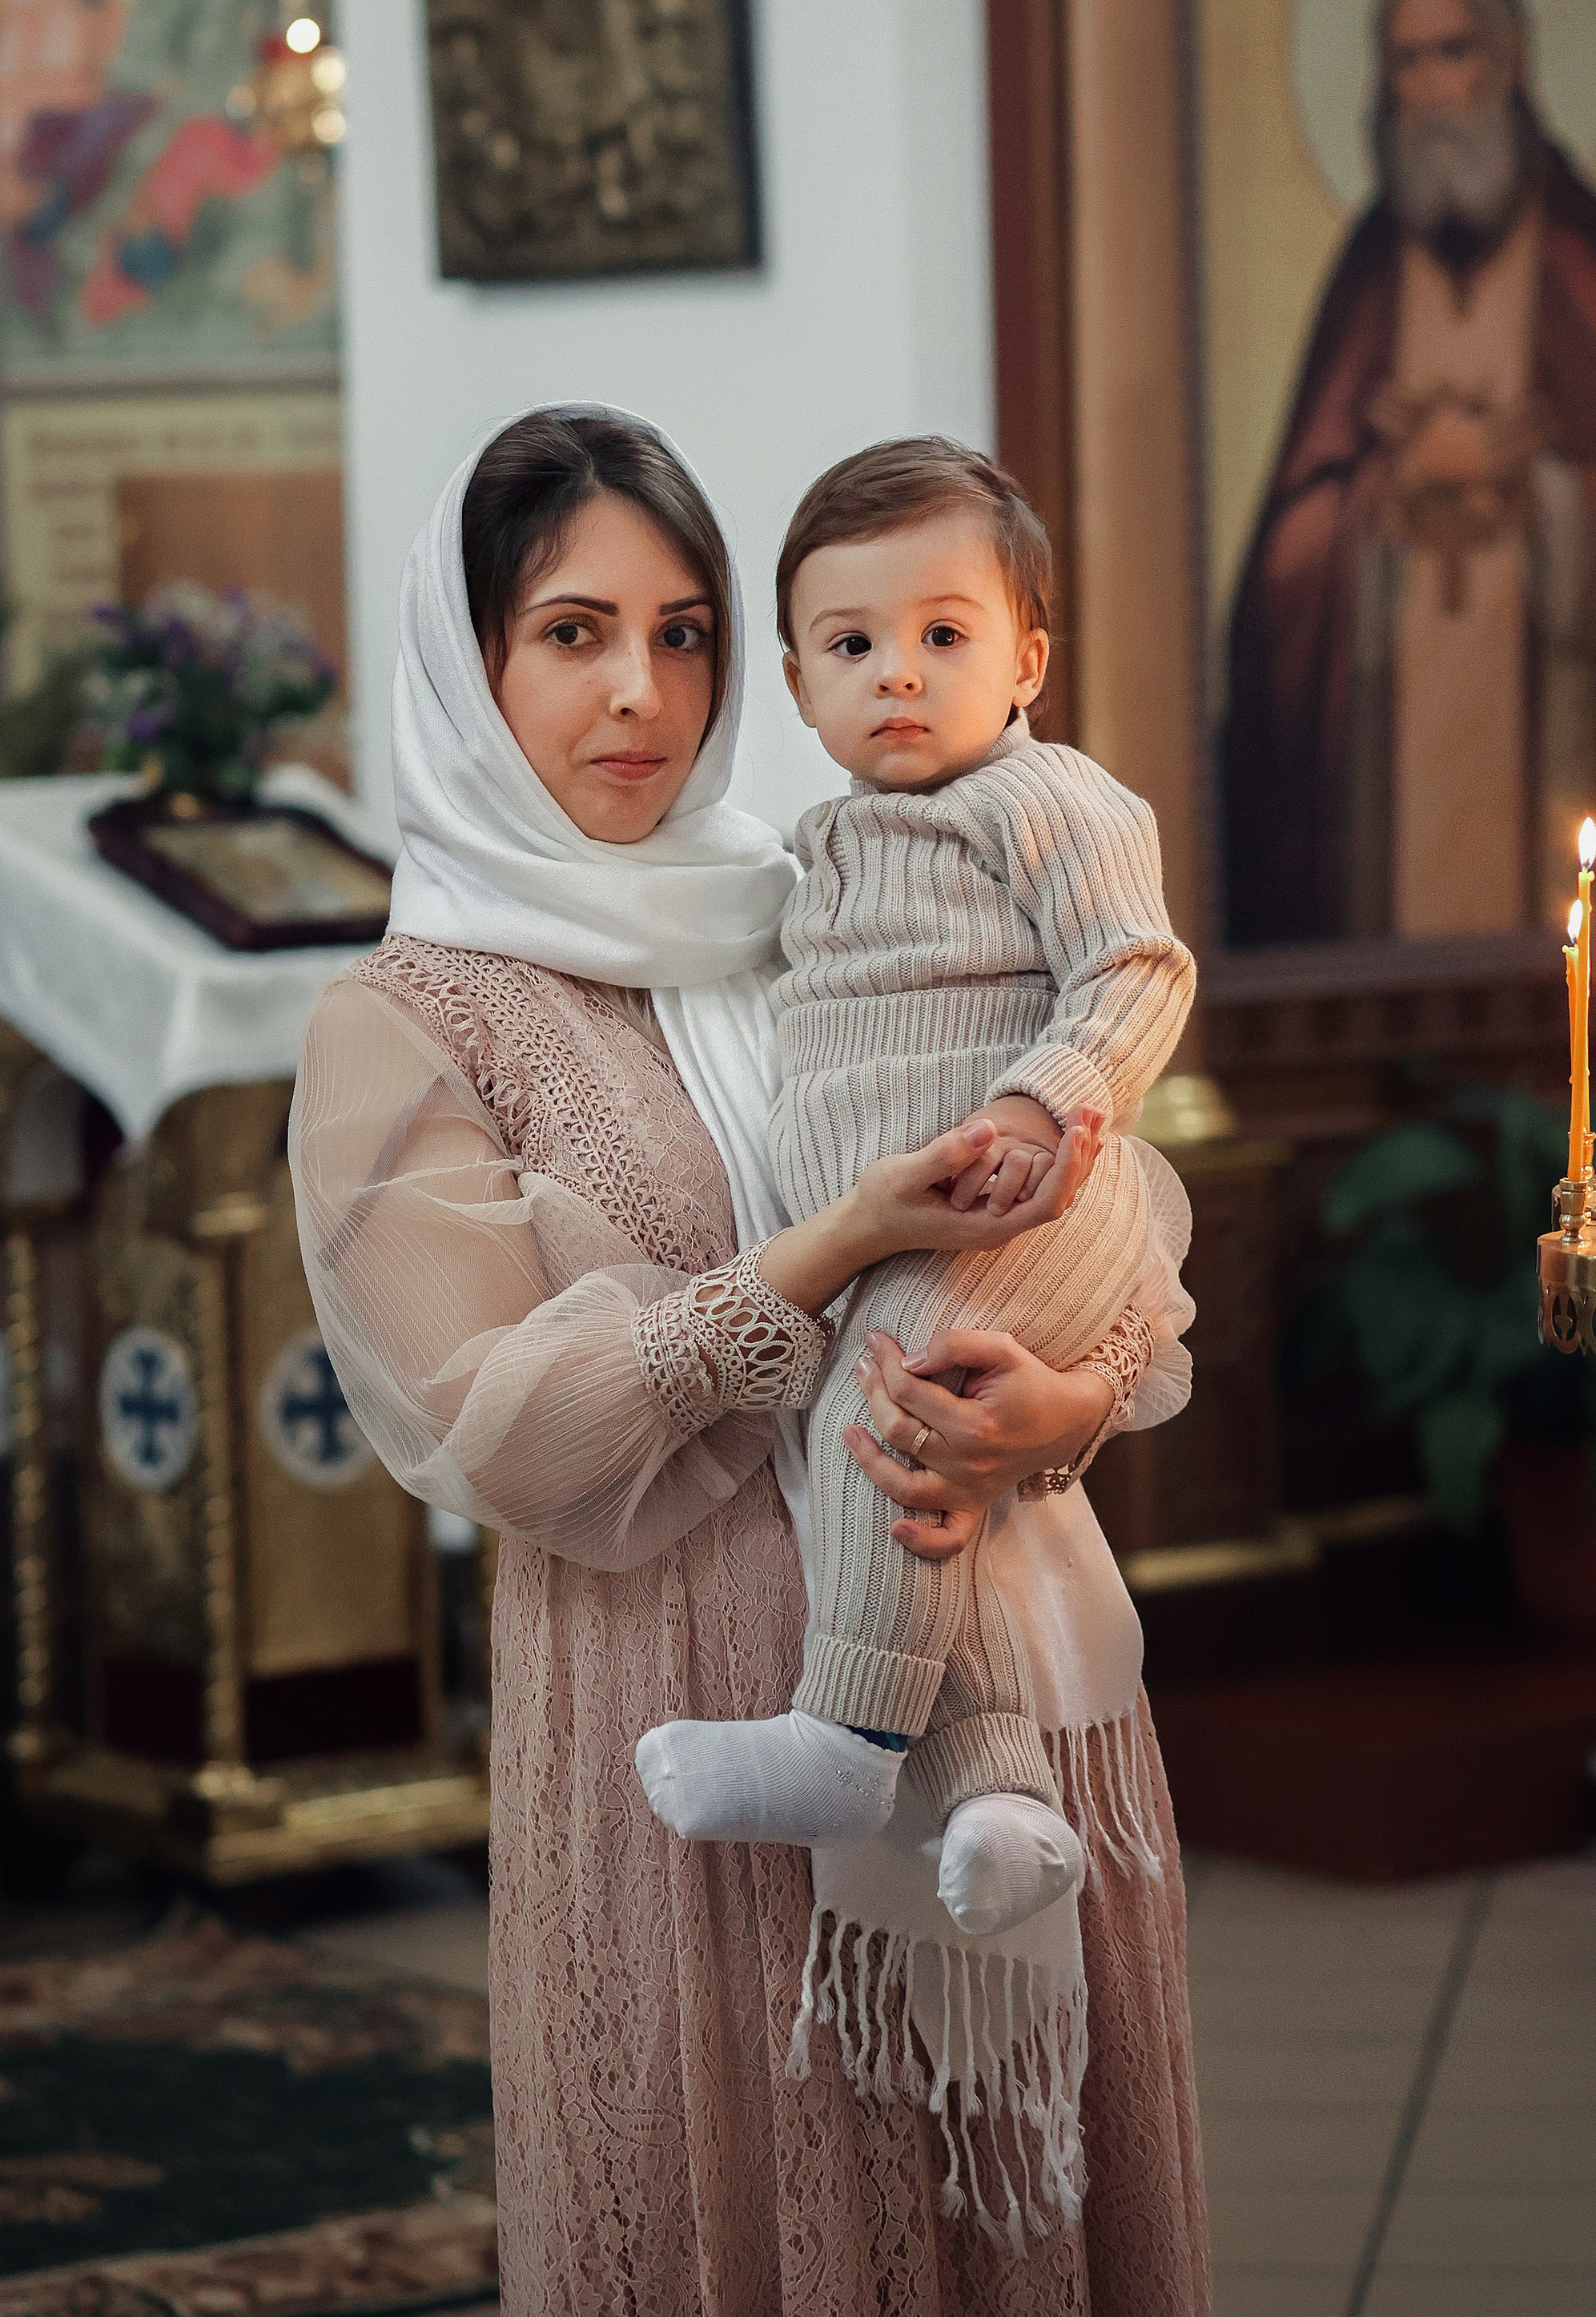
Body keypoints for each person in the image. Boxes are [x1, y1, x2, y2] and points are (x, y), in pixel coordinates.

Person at [291, 407, 1210, 2313]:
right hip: (684, 1724)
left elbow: (1119, 1213)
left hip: (1009, 1698)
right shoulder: (406, 1022)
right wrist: (833, 1245)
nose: (639, 689)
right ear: (467, 665)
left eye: (685, 628)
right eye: (569, 632)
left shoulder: (823, 890)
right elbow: (501, 1434)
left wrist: (1079, 1398)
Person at [637, 440, 1194, 1960]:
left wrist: (1041, 1103)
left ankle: (844, 1737)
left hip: (1031, 1207)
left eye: (944, 635)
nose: (899, 674)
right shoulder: (815, 851)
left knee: (893, 1414)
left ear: (1027, 658)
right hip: (907, 1246)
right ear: (799, 688)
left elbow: (1138, 970)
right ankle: (997, 1795)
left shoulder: (1044, 797)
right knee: (891, 1469)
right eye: (853, 644)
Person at [1223, 0, 1596, 946]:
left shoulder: (1581, 256)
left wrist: (1542, 490)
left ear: (1508, 61)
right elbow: (1283, 563)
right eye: (1406, 60)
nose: (1434, 87)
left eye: (1455, 52)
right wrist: (1383, 492)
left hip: (1556, 728)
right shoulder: (1367, 274)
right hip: (1388, 773)